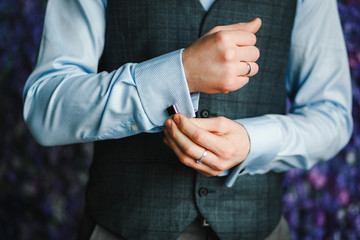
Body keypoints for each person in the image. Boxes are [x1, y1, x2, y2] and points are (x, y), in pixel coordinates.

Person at [23, 0, 353, 239]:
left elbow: (332, 115)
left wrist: (252, 144)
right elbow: (44, 107)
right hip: (120, 226)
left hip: (260, 229)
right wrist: (180, 73)